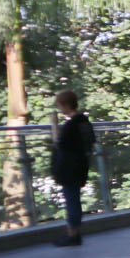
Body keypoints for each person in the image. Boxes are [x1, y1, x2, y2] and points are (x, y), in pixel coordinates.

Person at [49, 90, 97, 247]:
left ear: (66, 105)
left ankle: (73, 234)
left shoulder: (71, 125)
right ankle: (74, 233)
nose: (60, 109)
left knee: (72, 201)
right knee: (74, 199)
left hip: (69, 169)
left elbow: (59, 143)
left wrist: (54, 125)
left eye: (60, 106)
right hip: (81, 165)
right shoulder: (85, 122)